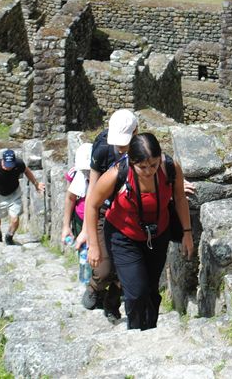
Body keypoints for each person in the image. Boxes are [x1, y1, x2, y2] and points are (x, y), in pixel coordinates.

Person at [85, 133, 194, 330]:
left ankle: (150, 329)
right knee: (136, 292)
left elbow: (179, 199)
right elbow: (92, 205)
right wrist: (93, 245)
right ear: (131, 161)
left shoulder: (170, 167)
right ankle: (135, 331)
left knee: (151, 289)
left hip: (158, 234)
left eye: (153, 165)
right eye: (142, 167)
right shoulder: (117, 173)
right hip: (123, 235)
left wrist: (187, 232)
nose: (149, 171)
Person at [75, 109, 139, 322]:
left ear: (136, 133)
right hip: (103, 211)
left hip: (130, 214)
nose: (120, 148)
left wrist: (178, 181)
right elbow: (92, 193)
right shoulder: (102, 149)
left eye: (125, 143)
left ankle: (112, 303)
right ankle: (95, 287)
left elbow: (160, 166)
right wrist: (87, 232)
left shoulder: (144, 148)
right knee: (103, 269)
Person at [0, 149, 45, 245]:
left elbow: (27, 171)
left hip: (14, 194)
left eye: (10, 165)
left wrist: (36, 184)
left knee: (15, 219)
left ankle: (9, 236)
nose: (8, 168)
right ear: (3, 161)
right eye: (6, 165)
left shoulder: (19, 164)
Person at [62, 143, 93, 243]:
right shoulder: (74, 173)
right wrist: (66, 226)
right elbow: (70, 197)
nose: (87, 172)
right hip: (80, 219)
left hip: (98, 222)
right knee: (83, 254)